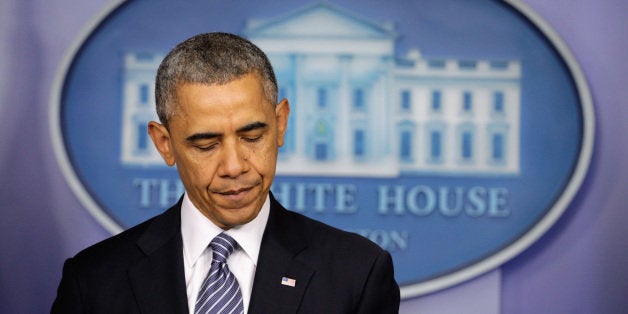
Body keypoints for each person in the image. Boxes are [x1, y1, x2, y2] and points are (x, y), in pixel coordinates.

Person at [52, 32, 400, 314]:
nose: (234, 166)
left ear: (280, 124)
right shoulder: (93, 281)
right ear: (164, 144)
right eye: (206, 145)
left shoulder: (357, 273)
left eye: (252, 137)